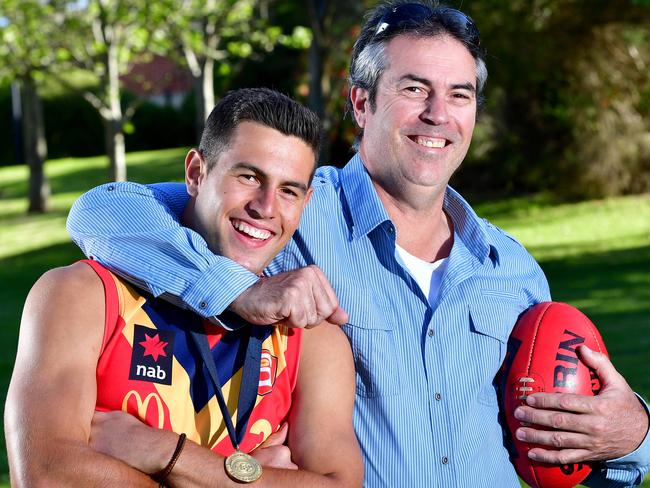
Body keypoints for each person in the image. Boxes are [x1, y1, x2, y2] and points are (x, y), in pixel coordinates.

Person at [65, 1, 650, 486]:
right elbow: (105, 210)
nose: (437, 115)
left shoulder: (513, 270)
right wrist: (241, 292)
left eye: (460, 95)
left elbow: (561, 451)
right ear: (362, 102)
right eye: (414, 89)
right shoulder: (288, 210)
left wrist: (630, 437)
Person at [5, 88, 363, 487]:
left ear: (306, 201)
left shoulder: (309, 337)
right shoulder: (81, 295)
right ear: (195, 173)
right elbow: (47, 476)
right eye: (248, 176)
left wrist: (163, 453)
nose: (265, 207)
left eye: (288, 191)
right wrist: (249, 479)